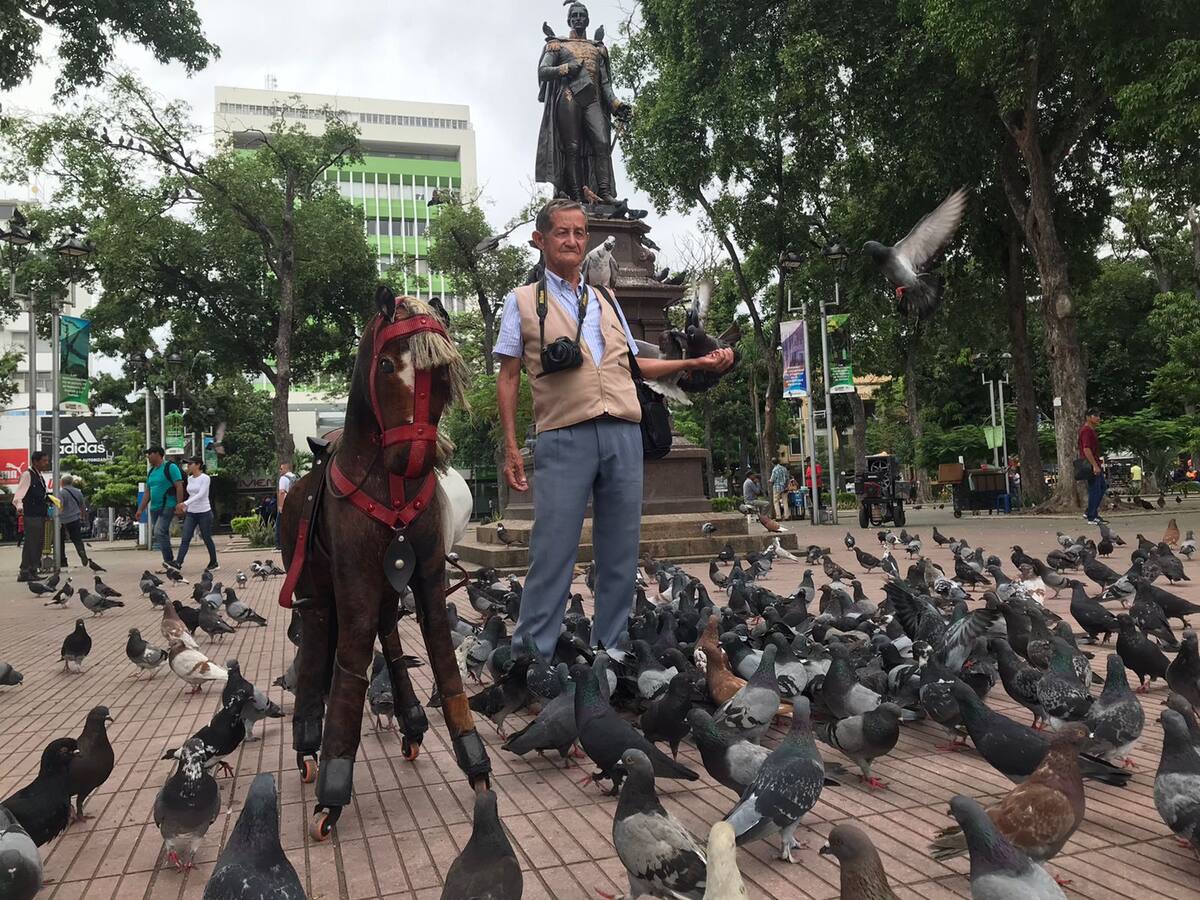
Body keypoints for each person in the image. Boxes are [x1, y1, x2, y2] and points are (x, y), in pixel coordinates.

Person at [494, 198, 733, 657]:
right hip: (564, 433)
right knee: (553, 553)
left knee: (620, 555)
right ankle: (531, 660)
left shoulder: (604, 297)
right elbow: (507, 376)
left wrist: (694, 361)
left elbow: (634, 363)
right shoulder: (522, 302)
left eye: (579, 233)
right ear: (539, 240)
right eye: (562, 232)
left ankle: (612, 653)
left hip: (623, 432)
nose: (572, 241)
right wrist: (510, 447)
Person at [134, 445, 185, 571]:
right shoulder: (151, 471)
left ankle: (169, 561)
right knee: (163, 533)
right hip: (155, 507)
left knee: (158, 531)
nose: (148, 457)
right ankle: (169, 564)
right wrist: (141, 509)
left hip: (168, 504)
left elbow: (179, 486)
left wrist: (179, 504)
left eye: (150, 454)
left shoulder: (170, 467)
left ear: (157, 454)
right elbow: (147, 492)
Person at [175, 457, 218, 571]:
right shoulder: (190, 479)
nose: (188, 466)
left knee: (206, 537)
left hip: (204, 512)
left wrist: (184, 503)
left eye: (190, 464)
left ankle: (214, 562)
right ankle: (178, 562)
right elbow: (191, 495)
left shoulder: (205, 478)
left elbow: (201, 494)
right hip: (191, 513)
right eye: (187, 464)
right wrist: (186, 507)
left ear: (198, 465)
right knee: (185, 538)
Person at [14, 451, 50, 581]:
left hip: (39, 515)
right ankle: (25, 571)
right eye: (44, 461)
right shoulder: (28, 475)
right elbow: (19, 495)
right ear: (35, 461)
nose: (46, 463)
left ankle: (32, 570)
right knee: (32, 543)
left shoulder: (39, 476)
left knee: (38, 543)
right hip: (31, 515)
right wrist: (20, 507)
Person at [1078, 409, 1105, 525]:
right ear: (1088, 417)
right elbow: (1086, 448)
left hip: (1096, 463)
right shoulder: (1086, 431)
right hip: (1091, 464)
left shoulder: (1092, 431)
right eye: (1095, 415)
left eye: (1099, 415)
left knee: (1102, 487)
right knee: (1095, 489)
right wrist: (1094, 465)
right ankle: (1091, 516)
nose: (1098, 418)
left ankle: (1090, 511)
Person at [57, 474, 89, 568]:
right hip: (75, 519)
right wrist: (83, 516)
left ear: (62, 482)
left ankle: (63, 561)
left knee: (60, 541)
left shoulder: (61, 493)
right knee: (77, 539)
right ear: (71, 482)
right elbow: (82, 505)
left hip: (63, 520)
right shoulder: (78, 492)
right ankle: (81, 552)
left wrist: (56, 517)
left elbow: (60, 506)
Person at [275, 461, 297, 550]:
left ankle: (279, 544)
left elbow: (282, 492)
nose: (279, 470)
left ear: (285, 468)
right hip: (295, 504)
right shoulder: (295, 477)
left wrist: (280, 506)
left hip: (286, 505)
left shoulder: (283, 478)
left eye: (281, 468)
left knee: (279, 524)